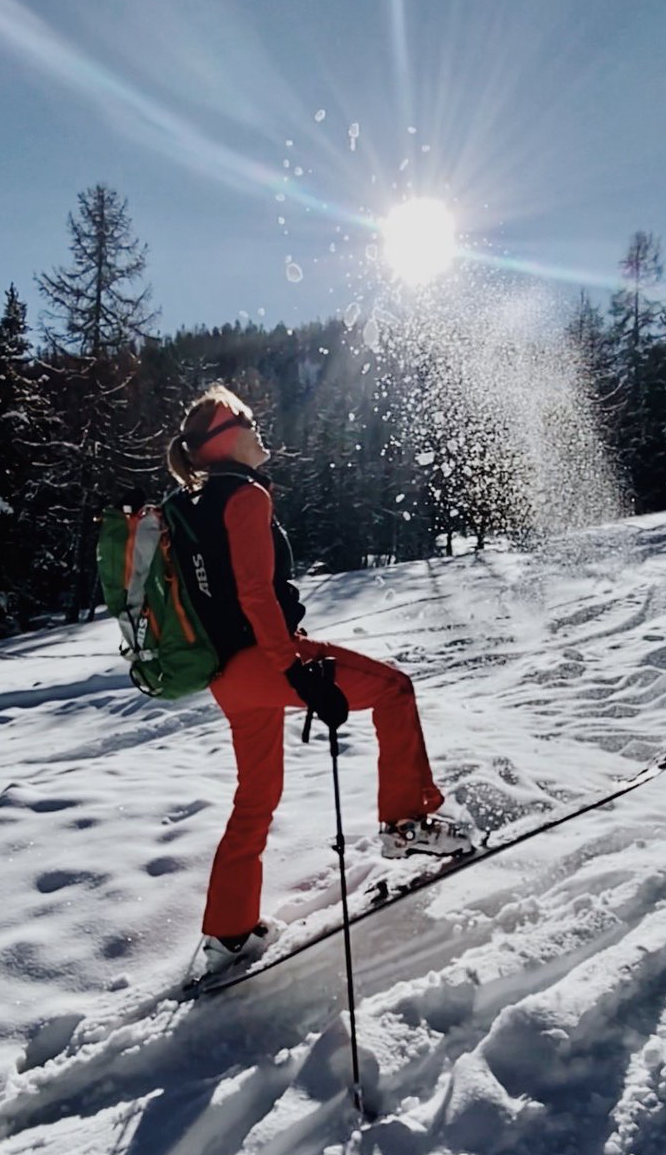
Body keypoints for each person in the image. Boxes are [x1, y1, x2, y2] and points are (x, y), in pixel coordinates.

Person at [166, 384, 472, 973]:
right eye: (249, 425)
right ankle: (406, 824)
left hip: (223, 674)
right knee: (393, 688)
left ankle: (229, 931)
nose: (260, 434)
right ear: (227, 439)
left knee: (255, 797)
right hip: (263, 657)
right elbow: (256, 594)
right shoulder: (245, 497)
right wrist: (297, 672)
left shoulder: (191, 504)